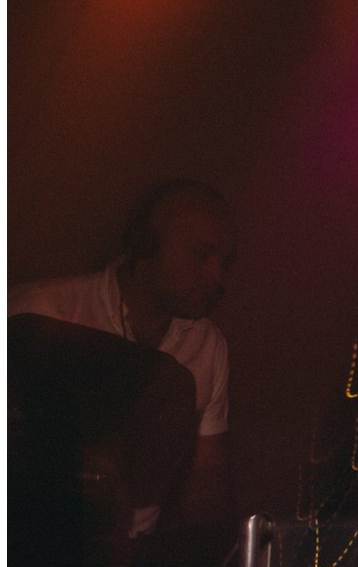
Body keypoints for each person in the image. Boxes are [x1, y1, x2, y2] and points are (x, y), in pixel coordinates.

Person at [10, 179, 237, 536]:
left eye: (224, 261)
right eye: (200, 254)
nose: (216, 276)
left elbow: (206, 474)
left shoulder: (208, 344)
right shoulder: (38, 312)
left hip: (132, 564)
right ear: (143, 245)